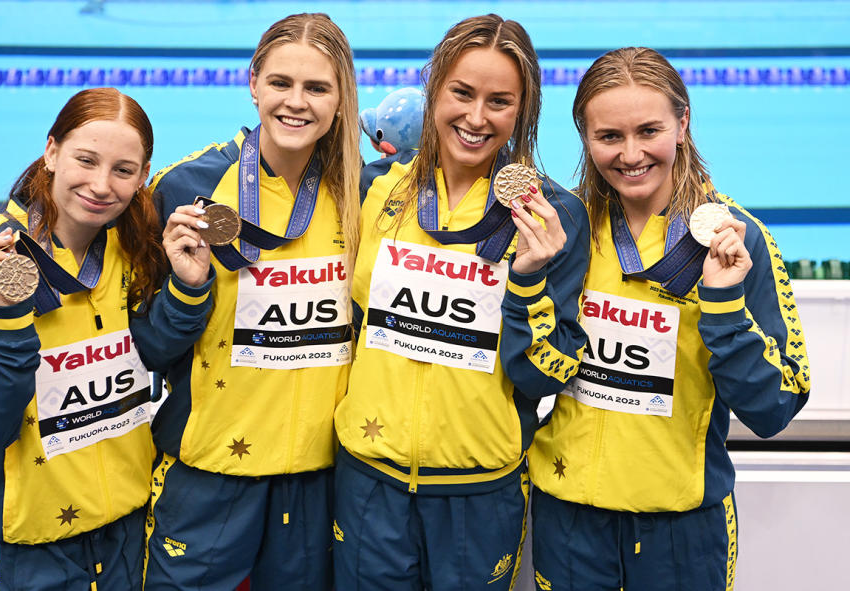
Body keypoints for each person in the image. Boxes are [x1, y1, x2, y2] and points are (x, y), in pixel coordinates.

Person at [510, 47, 811, 591]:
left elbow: (775, 407)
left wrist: (722, 307)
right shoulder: (567, 229)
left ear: (682, 122)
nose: (631, 155)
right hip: (569, 515)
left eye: (648, 130)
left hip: (682, 528)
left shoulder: (735, 239)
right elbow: (530, 373)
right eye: (608, 137)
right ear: (584, 137)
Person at [332, 14, 589, 590]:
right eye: (462, 93)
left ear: (522, 112)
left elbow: (546, 375)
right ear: (434, 91)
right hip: (367, 478)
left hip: (480, 489)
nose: (476, 118)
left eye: (499, 101)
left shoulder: (555, 217)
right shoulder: (373, 188)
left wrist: (526, 280)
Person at [0, 87, 215, 590]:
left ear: (144, 176)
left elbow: (151, 352)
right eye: (86, 160)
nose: (101, 185)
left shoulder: (129, 245)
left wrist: (189, 289)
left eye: (123, 170)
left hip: (128, 524)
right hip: (30, 541)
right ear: (51, 151)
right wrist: (10, 322)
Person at [141, 13, 361, 591]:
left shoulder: (363, 192)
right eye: (281, 83)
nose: (296, 102)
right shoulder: (184, 189)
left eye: (317, 88)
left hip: (319, 480)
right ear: (253, 83)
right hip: (208, 475)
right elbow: (151, 347)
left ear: (341, 99)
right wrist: (188, 290)